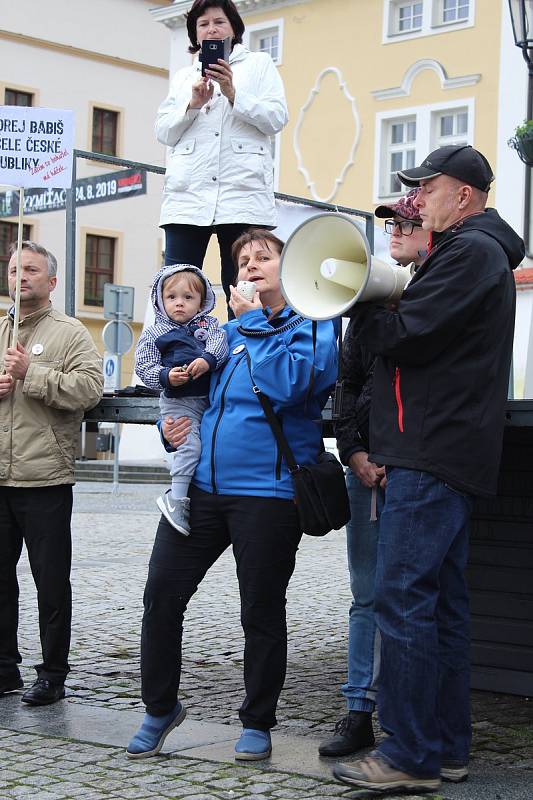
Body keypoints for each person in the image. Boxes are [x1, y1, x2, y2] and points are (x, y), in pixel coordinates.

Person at [333, 145, 524, 792]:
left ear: (463, 196)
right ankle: (442, 747)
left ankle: (408, 756)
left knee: (404, 599)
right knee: (438, 605)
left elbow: (405, 335)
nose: (415, 200)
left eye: (426, 188)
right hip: (446, 449)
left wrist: (358, 303)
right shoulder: (472, 253)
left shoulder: (467, 252)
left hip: (429, 450)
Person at [126, 228, 338, 761]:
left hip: (268, 495)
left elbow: (291, 386)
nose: (250, 264)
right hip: (201, 490)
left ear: (289, 269)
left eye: (263, 256)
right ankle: (159, 708)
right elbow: (192, 398)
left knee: (260, 610)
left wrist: (256, 325)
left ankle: (257, 721)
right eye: (242, 258)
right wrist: (169, 431)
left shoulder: (313, 325)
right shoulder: (223, 332)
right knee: (161, 595)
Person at [319, 189, 428, 758]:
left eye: (406, 221)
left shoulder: (431, 297)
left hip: (412, 467)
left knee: (404, 596)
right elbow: (349, 389)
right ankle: (359, 707)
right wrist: (355, 454)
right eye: (389, 224)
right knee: (366, 595)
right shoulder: (362, 314)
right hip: (365, 471)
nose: (394, 231)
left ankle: (404, 719)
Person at [0, 241, 103, 706]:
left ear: (51, 281)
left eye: (31, 270)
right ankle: (4, 668)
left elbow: (89, 389)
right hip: (0, 477)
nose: (20, 277)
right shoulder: (1, 327)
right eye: (14, 269)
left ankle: (53, 673)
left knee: (50, 581)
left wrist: (30, 372)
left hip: (44, 478)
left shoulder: (70, 331)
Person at [155, 0, 288, 314]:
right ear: (196, 34)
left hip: (242, 193)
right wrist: (191, 106)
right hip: (188, 196)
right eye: (203, 24)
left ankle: (243, 355)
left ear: (233, 28)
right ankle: (178, 356)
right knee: (176, 285)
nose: (211, 29)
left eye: (219, 22)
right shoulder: (184, 77)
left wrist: (233, 93)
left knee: (243, 286)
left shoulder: (258, 65)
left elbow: (277, 118)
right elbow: (163, 131)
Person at [135, 264, 228, 534]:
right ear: (160, 301)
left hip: (208, 400)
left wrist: (207, 360)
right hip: (179, 402)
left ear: (201, 302)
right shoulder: (155, 333)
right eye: (172, 297)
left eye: (188, 298)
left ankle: (200, 494)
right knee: (188, 447)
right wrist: (165, 376)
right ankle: (176, 497)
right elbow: (144, 366)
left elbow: (219, 345)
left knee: (206, 446)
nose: (179, 304)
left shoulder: (209, 326)